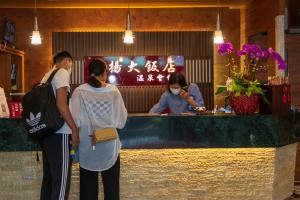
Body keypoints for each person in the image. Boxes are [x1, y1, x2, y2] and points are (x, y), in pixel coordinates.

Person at [71, 58, 127, 200]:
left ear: (89, 73)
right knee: (112, 191)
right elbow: (121, 122)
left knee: (88, 193)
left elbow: (74, 120)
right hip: (109, 147)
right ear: (104, 73)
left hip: (87, 147)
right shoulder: (113, 91)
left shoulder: (79, 91)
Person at [39, 51, 80, 200]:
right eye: (71, 65)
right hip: (60, 133)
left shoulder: (46, 76)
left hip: (46, 134)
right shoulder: (62, 72)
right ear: (67, 61)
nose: (70, 68)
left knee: (49, 181)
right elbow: (61, 104)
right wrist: (74, 129)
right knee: (61, 182)